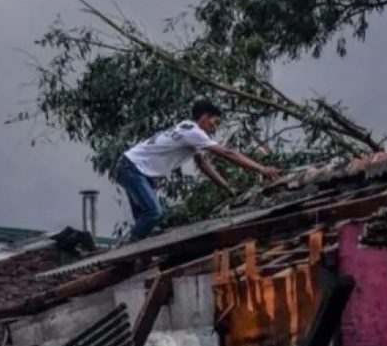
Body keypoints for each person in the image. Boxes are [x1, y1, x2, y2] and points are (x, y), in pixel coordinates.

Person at [112, 100, 281, 246]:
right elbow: (227, 153)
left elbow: (203, 164)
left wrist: (226, 187)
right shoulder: (194, 132)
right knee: (154, 213)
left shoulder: (187, 129)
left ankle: (132, 253)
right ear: (204, 117)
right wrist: (261, 168)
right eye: (214, 123)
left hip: (134, 168)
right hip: (133, 168)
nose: (214, 129)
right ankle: (125, 251)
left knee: (144, 221)